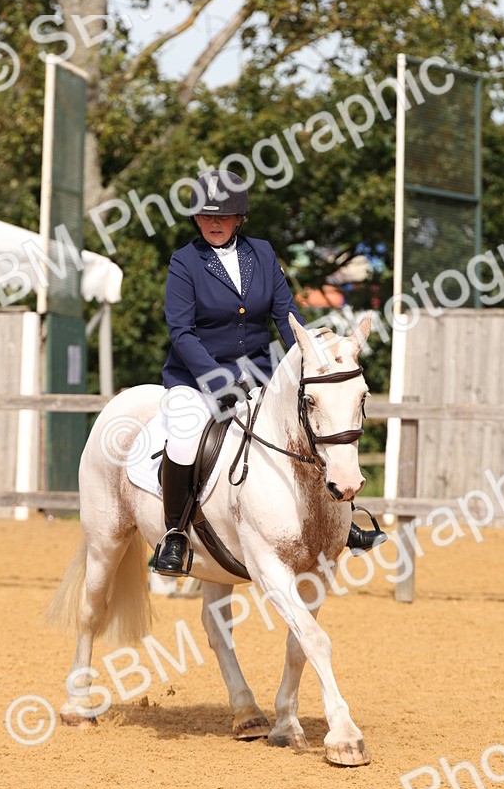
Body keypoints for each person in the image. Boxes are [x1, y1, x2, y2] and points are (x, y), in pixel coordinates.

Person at [153, 168, 385, 574]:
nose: (213, 223)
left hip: (261, 373)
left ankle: (342, 521)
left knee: (306, 426)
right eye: (206, 217)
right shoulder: (185, 262)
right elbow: (181, 332)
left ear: (239, 217)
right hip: (197, 378)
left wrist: (315, 357)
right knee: (186, 436)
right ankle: (174, 533)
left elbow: (287, 317)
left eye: (222, 217)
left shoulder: (261, 253)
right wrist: (216, 379)